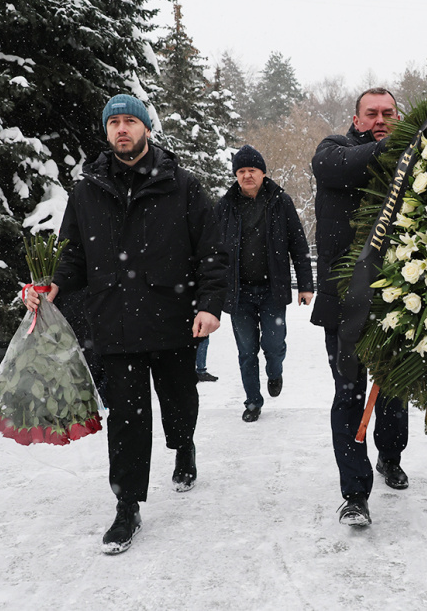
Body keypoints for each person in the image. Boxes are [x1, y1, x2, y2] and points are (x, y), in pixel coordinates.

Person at [24, 94, 228, 554]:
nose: (121, 129)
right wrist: (54, 285)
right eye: (114, 122)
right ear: (107, 131)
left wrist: (210, 305)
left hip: (173, 319)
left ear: (146, 129)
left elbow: (212, 253)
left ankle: (184, 445)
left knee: (179, 403)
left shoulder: (184, 186)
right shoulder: (87, 189)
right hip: (113, 323)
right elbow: (72, 252)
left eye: (129, 122)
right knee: (128, 419)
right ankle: (127, 506)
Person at [311, 87, 410, 527]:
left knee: (394, 388)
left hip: (402, 297)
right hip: (344, 299)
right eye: (371, 114)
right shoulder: (334, 151)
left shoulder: (416, 159)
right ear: (356, 119)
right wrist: (396, 145)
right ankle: (355, 493)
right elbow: (344, 167)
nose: (380, 119)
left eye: (388, 113)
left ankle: (391, 455)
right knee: (349, 394)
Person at [215, 145, 314, 422]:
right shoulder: (225, 205)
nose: (247, 175)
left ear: (263, 172)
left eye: (252, 170)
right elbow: (212, 249)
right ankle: (252, 402)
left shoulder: (280, 201)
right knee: (246, 351)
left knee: (273, 344)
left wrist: (306, 285)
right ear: (236, 174)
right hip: (239, 293)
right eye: (242, 171)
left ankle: (275, 371)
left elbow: (298, 244)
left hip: (273, 289)